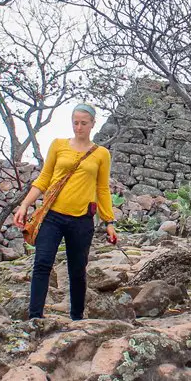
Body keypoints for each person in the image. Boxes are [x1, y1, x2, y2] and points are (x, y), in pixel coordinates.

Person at [14, 104, 117, 320]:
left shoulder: (101, 154)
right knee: (42, 263)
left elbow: (102, 189)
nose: (79, 127)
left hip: (82, 219)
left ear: (92, 124)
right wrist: (24, 204)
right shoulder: (58, 145)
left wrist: (109, 221)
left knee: (77, 270)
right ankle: (35, 318)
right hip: (52, 216)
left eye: (83, 123)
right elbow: (44, 179)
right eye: (75, 123)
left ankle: (77, 318)